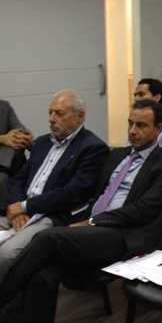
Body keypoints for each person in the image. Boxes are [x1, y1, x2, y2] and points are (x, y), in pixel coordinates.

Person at [0, 99, 162, 323]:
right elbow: (94, 196)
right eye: (130, 124)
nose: (132, 131)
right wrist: (84, 220)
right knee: (40, 275)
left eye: (141, 125)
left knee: (48, 237)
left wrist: (95, 222)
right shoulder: (117, 155)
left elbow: (143, 210)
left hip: (125, 235)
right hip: (92, 231)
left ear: (159, 129)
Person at [0, 90, 109, 282]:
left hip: (52, 215)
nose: (51, 119)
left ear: (79, 116)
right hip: (22, 211)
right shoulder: (43, 142)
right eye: (50, 113)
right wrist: (16, 208)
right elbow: (19, 179)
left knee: (6, 253)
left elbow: (71, 194)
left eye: (59, 114)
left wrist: (26, 207)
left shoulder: (92, 148)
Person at [0, 100, 34, 207]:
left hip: (11, 164)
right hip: (6, 170)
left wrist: (27, 139)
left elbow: (20, 129)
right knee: (1, 178)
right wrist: (3, 138)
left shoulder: (4, 106)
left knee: (15, 141)